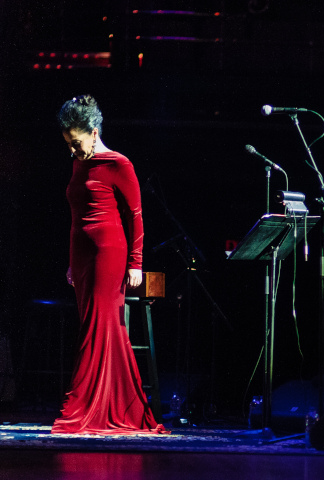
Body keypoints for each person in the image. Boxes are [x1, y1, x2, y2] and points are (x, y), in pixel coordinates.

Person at [51, 95, 169, 435]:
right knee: (102, 331)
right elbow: (76, 216)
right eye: (68, 144)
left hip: (109, 252)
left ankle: (83, 406)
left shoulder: (118, 163)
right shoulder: (78, 161)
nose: (73, 150)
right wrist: (73, 262)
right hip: (82, 255)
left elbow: (135, 215)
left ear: (94, 131)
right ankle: (114, 405)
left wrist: (136, 263)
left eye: (76, 142)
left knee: (96, 329)